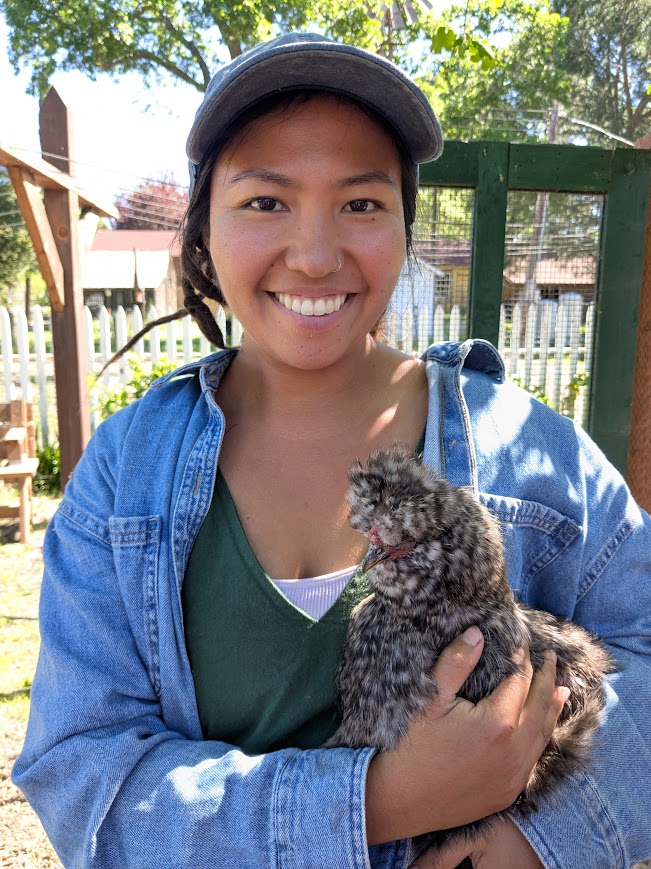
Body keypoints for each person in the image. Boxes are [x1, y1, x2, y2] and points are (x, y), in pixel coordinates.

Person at [12, 32, 651, 869]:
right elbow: (80, 769)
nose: (314, 255)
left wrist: (538, 839)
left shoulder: (537, 454)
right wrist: (377, 802)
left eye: (360, 202)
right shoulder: (126, 475)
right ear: (204, 225)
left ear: (404, 228)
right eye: (265, 201)